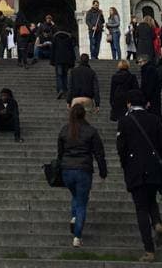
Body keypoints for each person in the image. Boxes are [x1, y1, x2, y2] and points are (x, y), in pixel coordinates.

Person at [116, 89, 162, 263]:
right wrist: (159, 161)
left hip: (134, 168)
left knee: (141, 208)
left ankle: (149, 250)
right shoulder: (154, 119)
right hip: (153, 167)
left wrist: (125, 164)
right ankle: (157, 223)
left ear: (129, 103)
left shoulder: (124, 121)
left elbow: (121, 148)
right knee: (151, 199)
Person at [57, 103, 107, 248]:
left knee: (75, 196)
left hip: (67, 169)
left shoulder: (65, 130)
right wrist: (103, 171)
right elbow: (99, 153)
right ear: (84, 115)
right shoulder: (91, 131)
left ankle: (74, 217)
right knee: (82, 203)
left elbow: (60, 153)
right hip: (83, 170)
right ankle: (77, 237)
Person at [51, 27, 76, 100]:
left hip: (58, 60)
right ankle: (65, 90)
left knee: (59, 75)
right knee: (65, 75)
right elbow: (72, 50)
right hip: (67, 60)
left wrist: (52, 61)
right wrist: (73, 62)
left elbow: (53, 49)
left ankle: (60, 89)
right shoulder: (69, 38)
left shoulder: (55, 38)